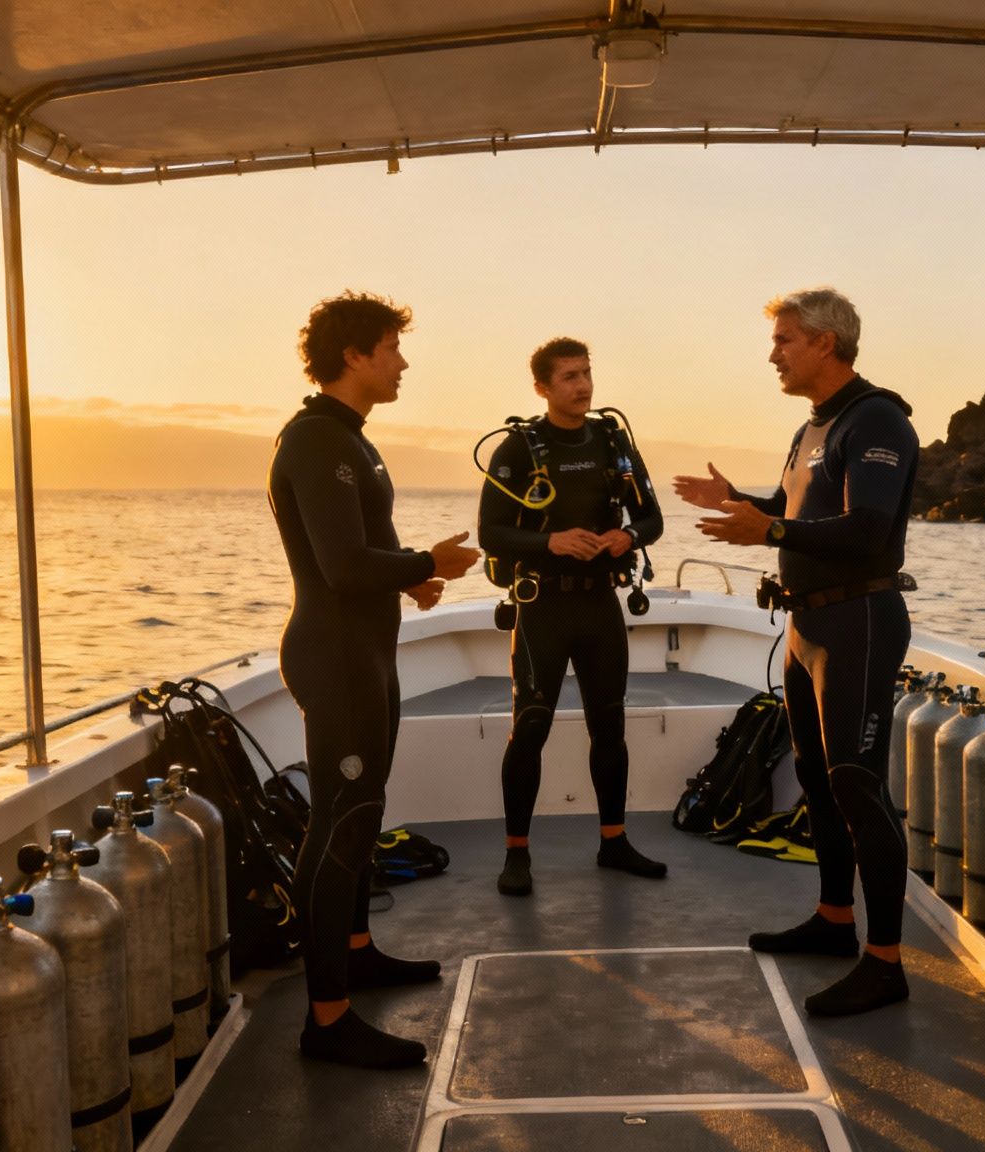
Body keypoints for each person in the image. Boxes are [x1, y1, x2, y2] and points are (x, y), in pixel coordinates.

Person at [674, 288, 920, 1017]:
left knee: (856, 784)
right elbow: (801, 511)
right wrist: (744, 503)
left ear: (825, 341)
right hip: (807, 628)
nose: (773, 353)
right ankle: (834, 921)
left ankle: (886, 963)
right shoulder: (813, 426)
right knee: (816, 777)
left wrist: (769, 535)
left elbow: (868, 529)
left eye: (785, 340)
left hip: (858, 624)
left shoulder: (877, 419)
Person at [267, 291, 480, 1067]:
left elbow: (365, 552)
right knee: (341, 822)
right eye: (392, 348)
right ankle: (327, 1020)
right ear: (354, 355)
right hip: (337, 657)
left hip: (366, 651)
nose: (402, 362)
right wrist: (428, 563)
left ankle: (356, 950)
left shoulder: (350, 441)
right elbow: (342, 564)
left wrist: (412, 582)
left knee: (361, 813)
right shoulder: (318, 441)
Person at [478, 338, 667, 897]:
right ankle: (517, 854)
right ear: (541, 387)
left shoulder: (613, 441)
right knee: (530, 727)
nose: (582, 386)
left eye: (586, 373)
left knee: (609, 725)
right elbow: (491, 532)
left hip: (598, 605)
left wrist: (625, 535)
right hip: (544, 607)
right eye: (568, 377)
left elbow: (651, 518)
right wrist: (552, 540)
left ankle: (614, 841)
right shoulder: (517, 448)